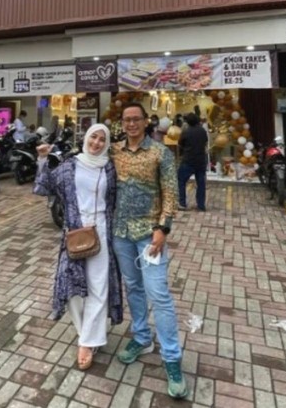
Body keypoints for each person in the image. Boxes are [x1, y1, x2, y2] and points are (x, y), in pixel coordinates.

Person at [111, 102, 188, 399]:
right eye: (126, 120)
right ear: (122, 123)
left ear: (146, 122)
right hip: (120, 234)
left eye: (136, 119)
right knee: (133, 287)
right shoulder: (114, 151)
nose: (131, 124)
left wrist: (163, 228)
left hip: (149, 236)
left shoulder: (160, 152)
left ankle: (172, 359)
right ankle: (142, 337)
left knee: (159, 293)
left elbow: (171, 191)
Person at [33, 124, 123, 371]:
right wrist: (42, 159)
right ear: (86, 138)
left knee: (98, 287)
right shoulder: (71, 164)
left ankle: (87, 342)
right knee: (70, 287)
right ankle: (87, 331)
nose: (96, 143)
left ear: (106, 144)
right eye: (94, 137)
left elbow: (117, 199)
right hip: (74, 232)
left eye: (102, 139)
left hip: (102, 233)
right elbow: (44, 186)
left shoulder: (109, 168)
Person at [177, 112, 209, 211]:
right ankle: (201, 205)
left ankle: (182, 203)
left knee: (181, 181)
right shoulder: (202, 131)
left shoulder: (186, 132)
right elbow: (205, 141)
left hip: (188, 160)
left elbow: (180, 143)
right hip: (200, 161)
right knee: (201, 183)